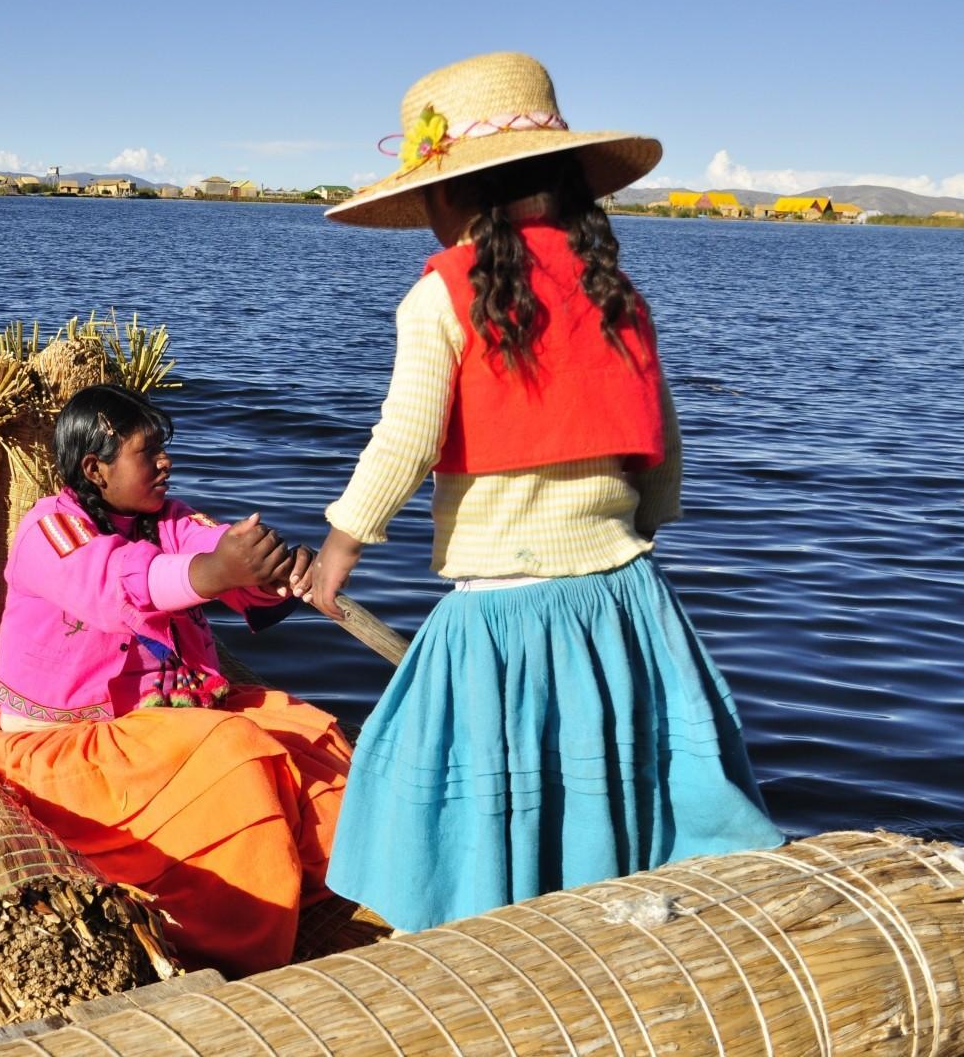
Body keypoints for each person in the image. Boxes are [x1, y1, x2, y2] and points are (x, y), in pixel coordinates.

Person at [299, 52, 782, 933]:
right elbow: (663, 444)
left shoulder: (441, 296)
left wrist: (339, 546)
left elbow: (404, 439)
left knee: (438, 784)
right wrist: (643, 528)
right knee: (608, 787)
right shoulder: (616, 291)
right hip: (626, 601)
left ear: (452, 198)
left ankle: (491, 951)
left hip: (505, 615)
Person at [0, 383, 352, 975]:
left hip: (164, 723)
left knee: (308, 733)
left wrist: (265, 566)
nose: (166, 462)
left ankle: (339, 875)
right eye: (150, 453)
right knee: (238, 751)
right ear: (95, 469)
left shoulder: (164, 519)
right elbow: (116, 582)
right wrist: (213, 571)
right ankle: (236, 945)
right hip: (72, 749)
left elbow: (207, 543)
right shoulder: (52, 530)